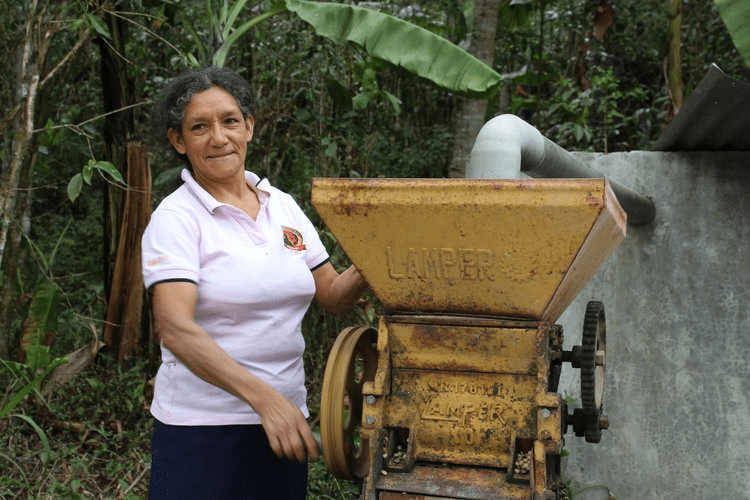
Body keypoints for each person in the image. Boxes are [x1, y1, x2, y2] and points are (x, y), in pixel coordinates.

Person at [141, 66, 367, 499]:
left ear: (249, 126)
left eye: (229, 121)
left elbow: (333, 296)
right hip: (204, 431)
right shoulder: (176, 219)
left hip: (283, 426)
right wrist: (264, 401)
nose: (218, 137)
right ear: (178, 140)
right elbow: (175, 328)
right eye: (199, 127)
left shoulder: (281, 205)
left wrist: (379, 260)